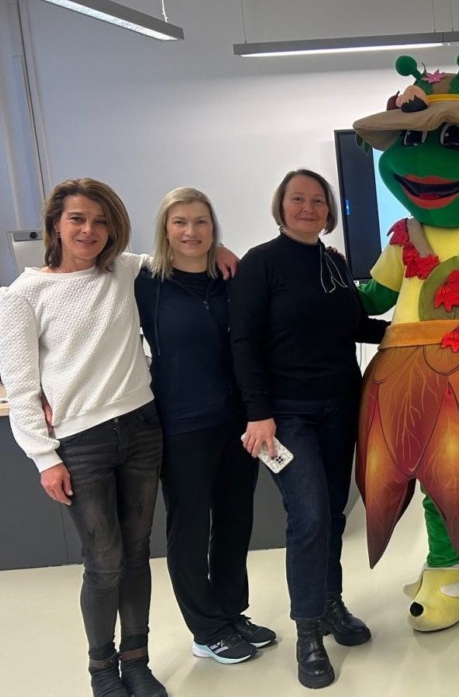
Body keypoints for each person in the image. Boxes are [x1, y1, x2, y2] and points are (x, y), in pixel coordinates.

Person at [0, 178, 168, 697]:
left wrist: (221, 250)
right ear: (56, 223)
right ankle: (102, 669)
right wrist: (44, 457)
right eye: (77, 218)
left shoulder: (123, 270)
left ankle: (136, 661)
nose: (89, 230)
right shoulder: (23, 294)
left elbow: (179, 253)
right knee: (104, 561)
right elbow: (21, 386)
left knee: (137, 552)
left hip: (141, 428)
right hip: (81, 443)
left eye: (100, 221)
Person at [231, 168, 386, 689]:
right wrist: (257, 411)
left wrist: (416, 332)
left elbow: (355, 326)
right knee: (310, 516)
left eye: (318, 201)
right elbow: (243, 341)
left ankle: (331, 602)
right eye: (297, 199)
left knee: (334, 514)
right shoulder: (260, 263)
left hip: (340, 405)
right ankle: (307, 633)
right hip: (286, 414)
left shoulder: (334, 263)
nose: (308, 208)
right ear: (281, 206)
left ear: (329, 211)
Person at [134, 187, 275, 666]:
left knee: (235, 524)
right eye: (180, 222)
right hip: (182, 426)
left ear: (214, 227)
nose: (190, 231)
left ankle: (232, 613)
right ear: (165, 229)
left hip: (238, 423)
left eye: (201, 222)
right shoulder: (145, 283)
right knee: (190, 529)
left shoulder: (231, 279)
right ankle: (206, 629)